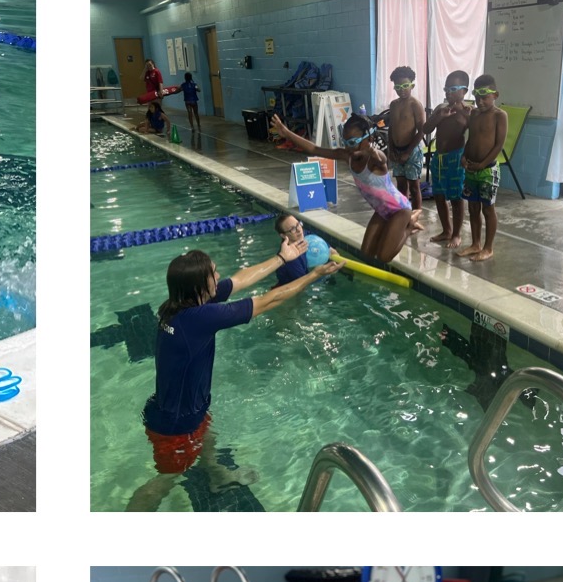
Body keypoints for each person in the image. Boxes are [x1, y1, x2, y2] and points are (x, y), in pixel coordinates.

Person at [127, 239, 342, 506]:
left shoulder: (179, 306)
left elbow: (239, 280)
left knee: (207, 434)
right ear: (199, 286)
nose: (219, 277)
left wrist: (281, 258)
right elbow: (269, 300)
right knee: (164, 480)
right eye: (213, 274)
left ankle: (216, 474)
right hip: (175, 426)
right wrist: (313, 275)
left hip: (180, 409)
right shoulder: (198, 319)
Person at [270, 108, 417, 266]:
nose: (349, 147)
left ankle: (409, 227)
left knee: (384, 257)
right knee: (366, 253)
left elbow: (381, 159)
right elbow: (314, 149)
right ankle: (394, 231)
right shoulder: (347, 156)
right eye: (345, 142)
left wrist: (373, 152)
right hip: (382, 210)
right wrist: (286, 132)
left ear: (369, 138)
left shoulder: (375, 159)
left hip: (399, 210)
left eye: (353, 142)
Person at [423, 71, 473, 250]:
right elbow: (426, 129)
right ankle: (446, 230)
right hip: (439, 158)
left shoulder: (467, 112)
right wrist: (439, 116)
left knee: (456, 198)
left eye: (452, 89)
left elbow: (475, 135)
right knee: (438, 195)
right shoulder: (441, 108)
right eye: (446, 89)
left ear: (464, 91)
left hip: (456, 158)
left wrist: (468, 117)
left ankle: (457, 233)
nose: (448, 93)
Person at [460, 76, 508, 263]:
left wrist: (482, 163)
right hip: (471, 168)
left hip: (488, 170)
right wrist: (464, 156)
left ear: (495, 95)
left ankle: (488, 248)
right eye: (477, 96)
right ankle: (475, 243)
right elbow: (470, 139)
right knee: (472, 208)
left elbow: (498, 145)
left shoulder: (499, 115)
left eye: (485, 97)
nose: (480, 101)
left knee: (488, 209)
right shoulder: (474, 114)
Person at [378, 66, 428, 230]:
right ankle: (403, 214)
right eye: (398, 87)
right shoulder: (394, 104)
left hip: (411, 151)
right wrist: (390, 149)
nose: (402, 90)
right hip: (397, 150)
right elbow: (391, 128)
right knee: (400, 185)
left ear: (412, 85)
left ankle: (415, 216)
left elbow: (422, 130)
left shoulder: (415, 105)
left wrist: (408, 151)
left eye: (405, 86)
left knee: (414, 186)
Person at [179, 71, 202, 139]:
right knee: (196, 113)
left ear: (185, 78)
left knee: (190, 113)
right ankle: (198, 125)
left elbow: (178, 90)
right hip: (194, 101)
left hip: (187, 102)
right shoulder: (194, 84)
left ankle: (192, 127)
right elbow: (199, 90)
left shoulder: (183, 85)